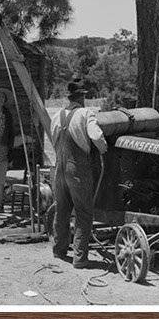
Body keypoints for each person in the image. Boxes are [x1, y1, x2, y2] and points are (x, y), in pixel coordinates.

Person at [50, 79, 107, 268]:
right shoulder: (85, 114)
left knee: (62, 209)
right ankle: (80, 258)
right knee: (83, 212)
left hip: (59, 169)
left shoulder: (57, 116)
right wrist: (104, 148)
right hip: (77, 169)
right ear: (82, 97)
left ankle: (59, 250)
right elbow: (96, 136)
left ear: (69, 98)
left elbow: (54, 140)